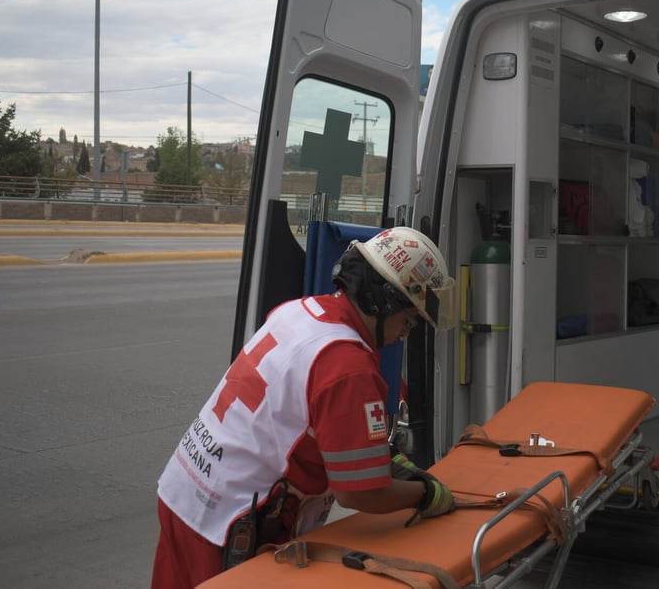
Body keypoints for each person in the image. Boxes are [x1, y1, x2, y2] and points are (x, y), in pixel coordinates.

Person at [151, 227, 458, 589]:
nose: (405, 333)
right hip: (225, 523)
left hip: (186, 488)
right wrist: (426, 494)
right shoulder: (350, 366)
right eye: (408, 319)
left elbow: (295, 418)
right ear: (384, 301)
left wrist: (379, 457)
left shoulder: (299, 311)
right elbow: (359, 492)